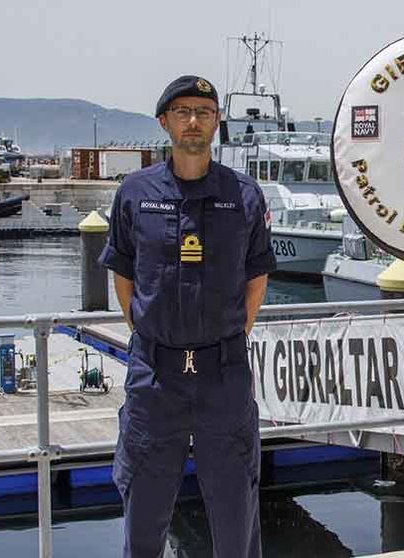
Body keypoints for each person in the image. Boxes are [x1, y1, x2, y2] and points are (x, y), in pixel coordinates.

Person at [100, 75, 277, 558]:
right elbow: (123, 271)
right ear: (164, 122)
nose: (194, 120)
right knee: (144, 510)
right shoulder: (135, 193)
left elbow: (255, 276)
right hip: (156, 376)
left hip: (223, 373)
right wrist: (149, 334)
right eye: (183, 111)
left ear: (217, 122)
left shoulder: (243, 195)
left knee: (236, 507)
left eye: (204, 111)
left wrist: (232, 334)